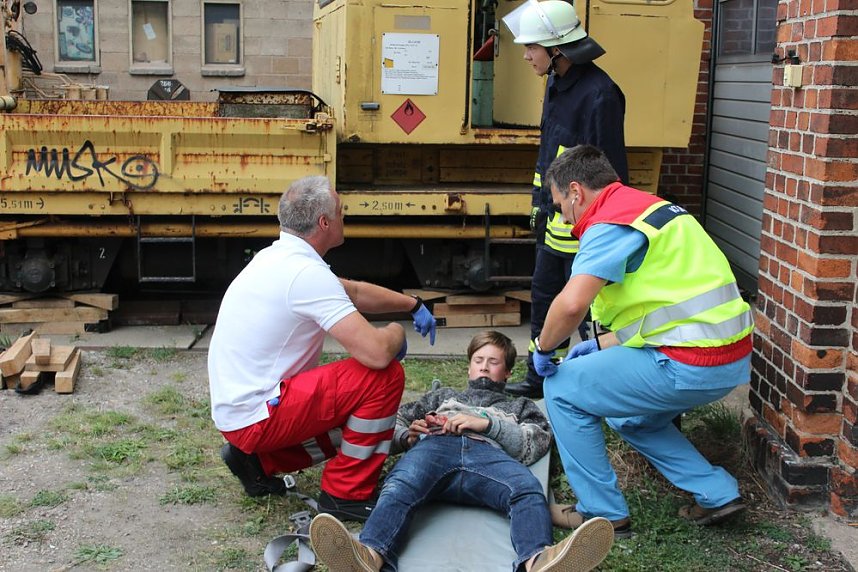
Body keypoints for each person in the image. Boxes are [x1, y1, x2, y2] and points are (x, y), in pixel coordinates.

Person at [532, 144, 754, 535]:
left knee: (561, 389)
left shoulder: (608, 223)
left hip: (686, 362)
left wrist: (542, 347)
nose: (564, 219)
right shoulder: (651, 209)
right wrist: (600, 344)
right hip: (728, 361)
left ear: (576, 192)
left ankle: (601, 514)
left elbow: (570, 306)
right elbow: (669, 309)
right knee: (631, 419)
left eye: (559, 206)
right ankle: (717, 492)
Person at [208, 175, 437, 521]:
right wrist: (396, 333)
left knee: (359, 418)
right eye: (342, 212)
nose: (345, 217)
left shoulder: (277, 259)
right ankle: (345, 494)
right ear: (324, 222)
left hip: (242, 412)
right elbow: (375, 352)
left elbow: (354, 293)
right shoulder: (305, 275)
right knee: (382, 377)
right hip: (257, 417)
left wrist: (412, 304)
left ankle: (257, 460)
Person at [308, 330, 615, 572]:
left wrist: (486, 424)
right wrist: (407, 436)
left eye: (493, 362)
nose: (484, 365)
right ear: (468, 366)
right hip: (435, 448)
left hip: (488, 457)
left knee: (526, 489)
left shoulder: (519, 405)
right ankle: (369, 557)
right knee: (399, 486)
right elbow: (392, 420)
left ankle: (538, 561)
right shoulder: (443, 395)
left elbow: (535, 442)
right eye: (479, 359)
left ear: (507, 372)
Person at [504, 0, 629, 400]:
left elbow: (607, 174)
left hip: (584, 231)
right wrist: (540, 206)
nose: (526, 56)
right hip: (552, 224)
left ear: (557, 49)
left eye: (531, 48)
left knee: (595, 315)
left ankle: (605, 387)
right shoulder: (556, 82)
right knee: (543, 302)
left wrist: (597, 227)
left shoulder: (601, 95)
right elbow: (551, 158)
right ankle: (539, 377)